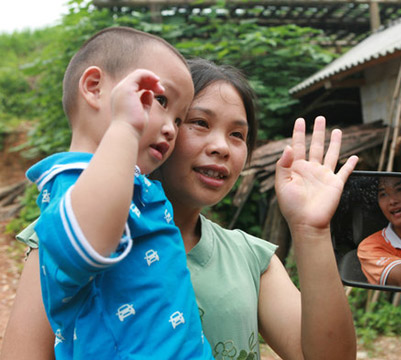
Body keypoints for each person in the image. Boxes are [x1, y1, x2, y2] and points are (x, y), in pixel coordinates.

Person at [1, 58, 359, 360]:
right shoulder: (73, 235)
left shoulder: (250, 259)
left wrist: (311, 230)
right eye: (199, 123)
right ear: (159, 128)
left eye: (238, 135)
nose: (222, 146)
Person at [15, 26, 213, 359]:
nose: (170, 127)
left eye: (179, 120)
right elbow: (88, 245)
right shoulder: (71, 181)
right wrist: (124, 127)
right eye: (160, 100)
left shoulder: (140, 185)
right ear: (94, 88)